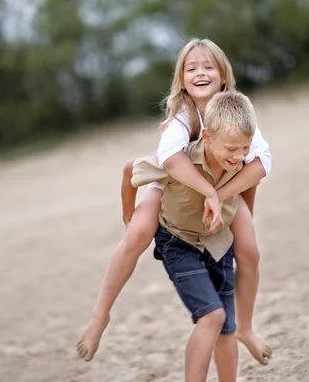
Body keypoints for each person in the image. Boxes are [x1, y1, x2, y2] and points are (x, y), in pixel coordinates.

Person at [77, 38, 273, 365]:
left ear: (223, 75)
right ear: (182, 79)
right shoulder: (185, 113)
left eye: (209, 66)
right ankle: (100, 316)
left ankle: (246, 328)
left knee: (250, 250)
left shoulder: (237, 108)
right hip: (174, 183)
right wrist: (206, 192)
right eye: (191, 68)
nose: (200, 72)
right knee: (138, 233)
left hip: (222, 187)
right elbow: (168, 158)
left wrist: (220, 196)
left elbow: (261, 161)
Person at [134, 91, 257, 382]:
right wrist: (128, 214)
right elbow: (133, 170)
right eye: (232, 148)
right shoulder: (181, 160)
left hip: (219, 244)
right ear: (208, 137)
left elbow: (254, 180)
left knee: (226, 326)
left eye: (245, 147)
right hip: (177, 243)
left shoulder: (242, 161)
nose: (240, 155)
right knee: (212, 316)